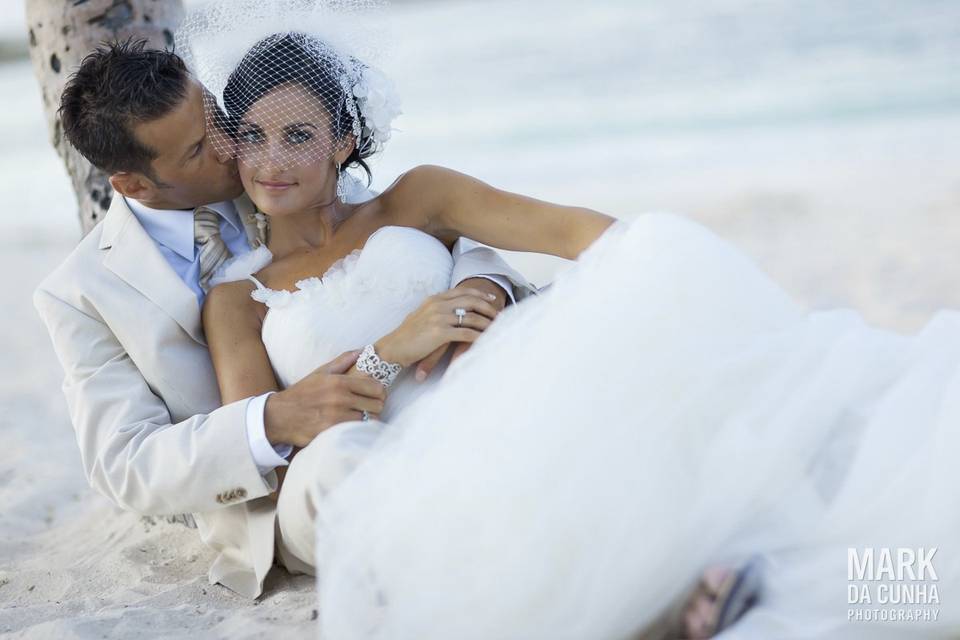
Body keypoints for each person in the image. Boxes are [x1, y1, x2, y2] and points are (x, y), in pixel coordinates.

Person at [187, 17, 960, 640]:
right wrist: (397, 350)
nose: (271, 162)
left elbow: (576, 231)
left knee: (655, 259)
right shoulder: (237, 297)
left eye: (297, 135)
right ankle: (663, 602)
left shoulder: (417, 197)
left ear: (343, 140)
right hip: (379, 462)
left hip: (497, 400)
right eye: (251, 136)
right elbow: (279, 453)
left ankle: (703, 571)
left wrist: (643, 281)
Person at [34, 38, 538, 601]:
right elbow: (126, 463)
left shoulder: (272, 169)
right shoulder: (81, 293)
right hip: (280, 491)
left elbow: (405, 231)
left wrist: (482, 282)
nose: (231, 146)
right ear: (134, 184)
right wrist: (270, 420)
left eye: (215, 118)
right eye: (201, 147)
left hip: (409, 402)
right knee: (348, 464)